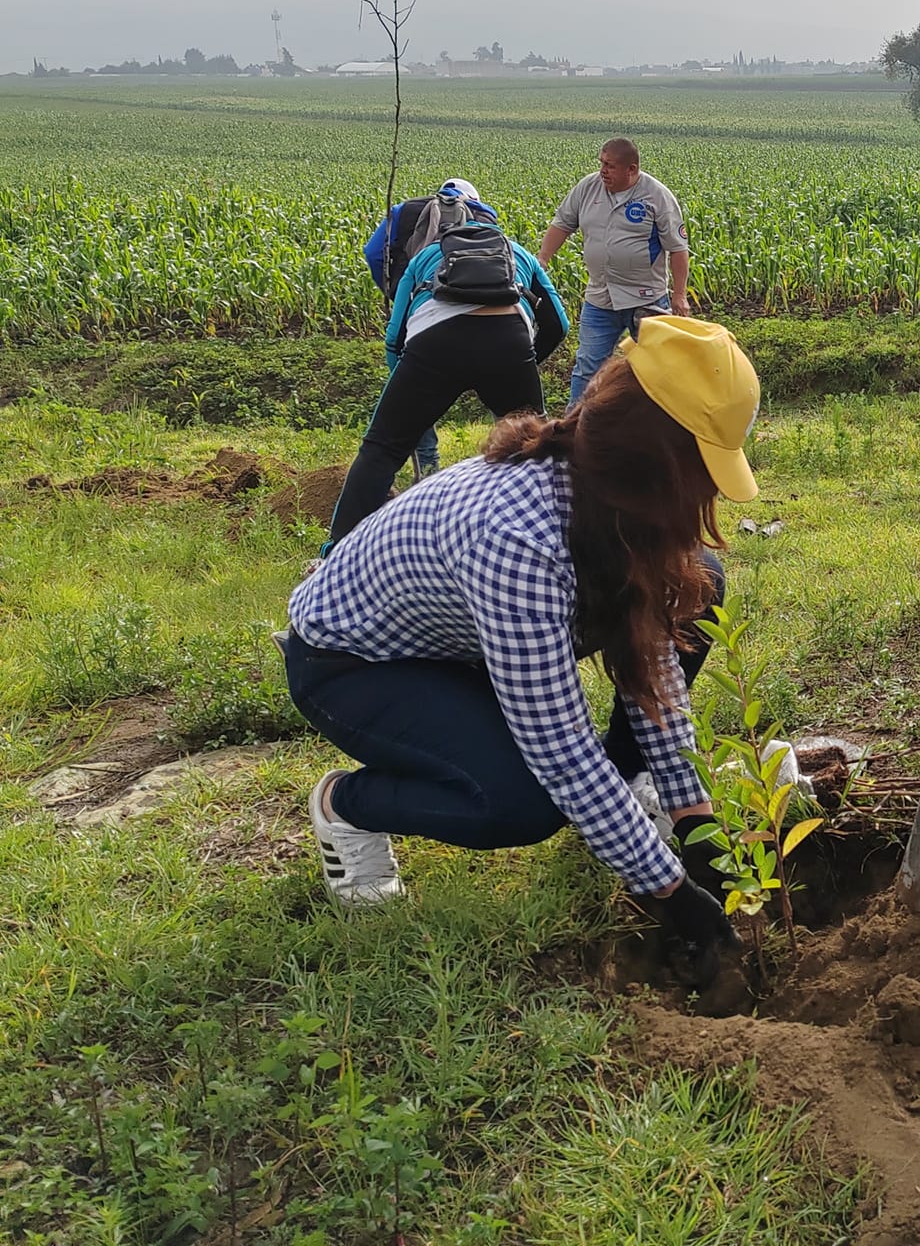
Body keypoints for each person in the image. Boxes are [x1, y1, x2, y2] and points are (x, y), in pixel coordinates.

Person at [283, 317, 761, 975]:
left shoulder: (608, 499)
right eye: (702, 471)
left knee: (696, 583)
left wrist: (696, 826)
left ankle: (626, 802)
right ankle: (347, 807)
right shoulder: (518, 541)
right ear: (653, 464)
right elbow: (560, 751)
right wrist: (674, 896)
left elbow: (651, 665)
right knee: (526, 801)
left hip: (464, 650)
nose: (706, 493)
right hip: (356, 666)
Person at [326, 210, 569, 547]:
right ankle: (562, 543)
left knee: (381, 450)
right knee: (537, 450)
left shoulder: (428, 254)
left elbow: (395, 336)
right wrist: (523, 364)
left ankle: (334, 555)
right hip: (507, 342)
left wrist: (406, 384)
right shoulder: (518, 252)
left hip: (434, 345)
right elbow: (559, 324)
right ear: (492, 227)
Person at [538, 139, 690, 405]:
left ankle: (664, 430)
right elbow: (562, 224)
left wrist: (679, 295)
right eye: (601, 163)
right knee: (587, 368)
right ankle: (573, 434)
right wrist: (543, 259)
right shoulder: (588, 188)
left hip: (646, 300)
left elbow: (678, 249)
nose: (603, 171)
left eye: (610, 166)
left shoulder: (657, 196)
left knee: (657, 370)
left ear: (631, 169)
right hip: (600, 298)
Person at [361, 178, 494, 476]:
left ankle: (428, 466)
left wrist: (395, 290)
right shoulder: (484, 215)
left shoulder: (404, 211)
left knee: (414, 389)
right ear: (471, 197)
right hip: (484, 314)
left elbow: (373, 253)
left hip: (418, 309)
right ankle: (505, 461)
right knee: (503, 391)